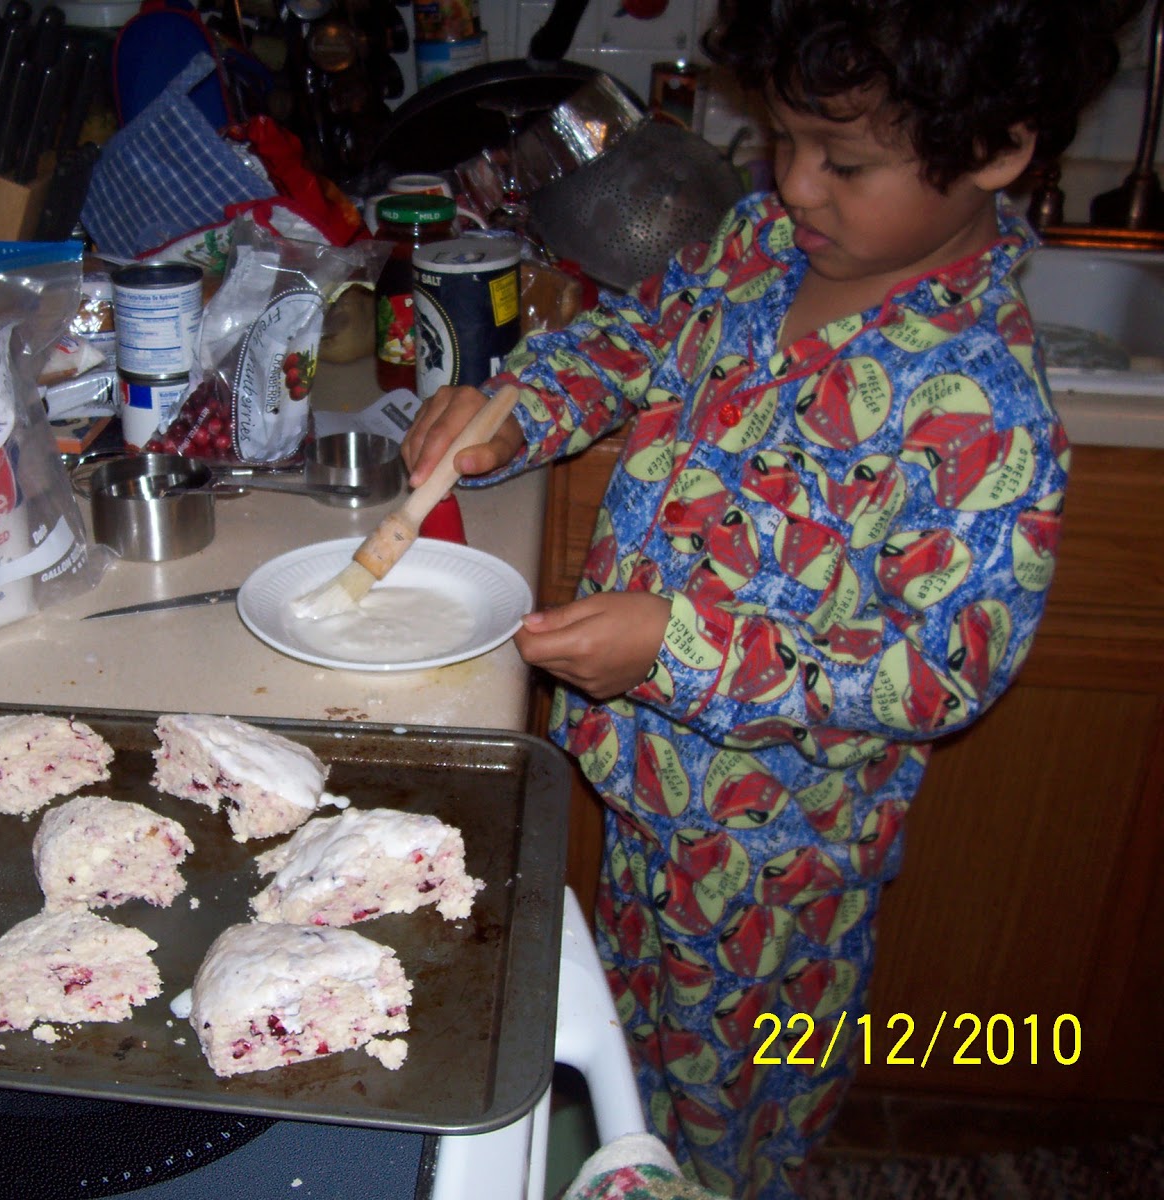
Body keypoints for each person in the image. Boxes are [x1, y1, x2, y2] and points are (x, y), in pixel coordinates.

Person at [399, 1, 1143, 1195]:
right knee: (632, 1060)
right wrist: (513, 410)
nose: (793, 184)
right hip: (644, 797)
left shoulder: (979, 409)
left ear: (998, 150)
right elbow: (634, 339)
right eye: (784, 140)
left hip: (775, 872)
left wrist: (676, 648)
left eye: (842, 162)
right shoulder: (760, 244)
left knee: (730, 1115)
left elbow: (936, 673)